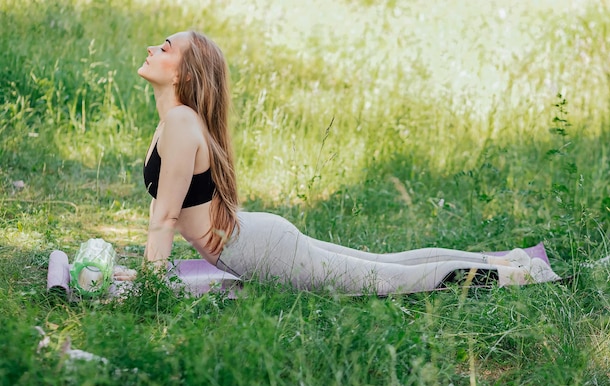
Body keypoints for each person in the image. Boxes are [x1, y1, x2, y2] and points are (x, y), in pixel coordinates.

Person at [126, 30, 561, 295]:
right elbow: (163, 208)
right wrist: (147, 271)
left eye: (165, 48)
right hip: (258, 238)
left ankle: (515, 276)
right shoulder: (172, 122)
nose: (152, 48)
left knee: (385, 280)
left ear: (185, 73)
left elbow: (166, 218)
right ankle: (508, 261)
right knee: (387, 264)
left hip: (259, 248)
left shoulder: (182, 123)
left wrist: (150, 286)